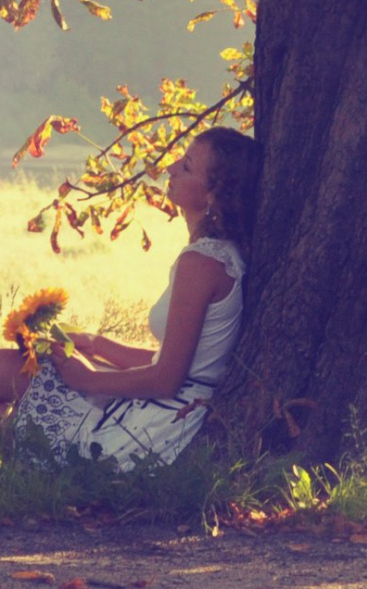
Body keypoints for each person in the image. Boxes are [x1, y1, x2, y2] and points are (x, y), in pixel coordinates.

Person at [0, 127, 262, 471]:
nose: (170, 170)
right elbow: (182, 362)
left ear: (212, 194)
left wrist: (87, 378)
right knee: (25, 364)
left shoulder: (202, 264)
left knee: (10, 369)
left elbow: (167, 379)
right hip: (171, 409)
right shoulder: (214, 256)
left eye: (185, 167)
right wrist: (99, 345)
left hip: (157, 425)